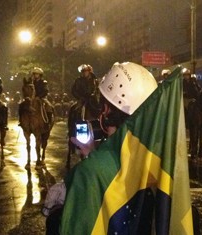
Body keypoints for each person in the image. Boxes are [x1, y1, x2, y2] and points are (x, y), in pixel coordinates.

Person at [59, 62, 159, 234]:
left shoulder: (88, 172)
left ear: (105, 110)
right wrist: (95, 154)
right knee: (76, 110)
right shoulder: (162, 158)